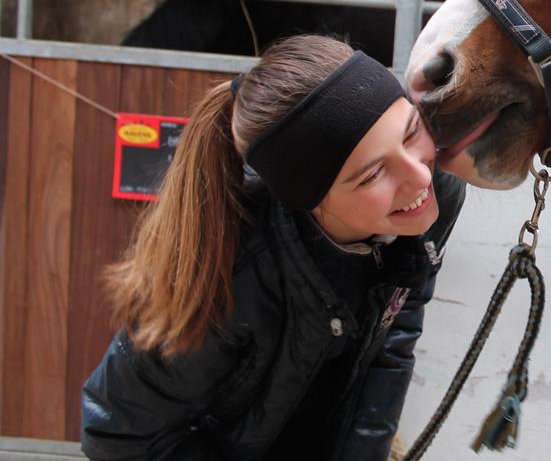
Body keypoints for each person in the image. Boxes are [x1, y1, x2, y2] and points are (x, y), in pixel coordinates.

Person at [81, 34, 465, 460]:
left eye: (411, 132)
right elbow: (114, 435)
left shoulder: (433, 198)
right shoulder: (232, 271)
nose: (420, 176)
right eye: (372, 174)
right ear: (310, 200)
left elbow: (395, 324)